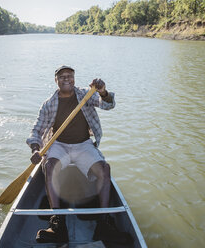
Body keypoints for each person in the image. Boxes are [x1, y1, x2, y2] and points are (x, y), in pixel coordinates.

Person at [26, 66, 131, 244]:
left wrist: (103, 91)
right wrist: (35, 148)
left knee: (104, 169)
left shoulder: (85, 95)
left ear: (74, 79)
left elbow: (108, 104)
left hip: (83, 144)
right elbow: (36, 130)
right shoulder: (49, 103)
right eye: (62, 77)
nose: (67, 79)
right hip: (59, 145)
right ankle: (58, 223)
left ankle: (103, 222)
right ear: (56, 81)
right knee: (49, 166)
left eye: (70, 76)